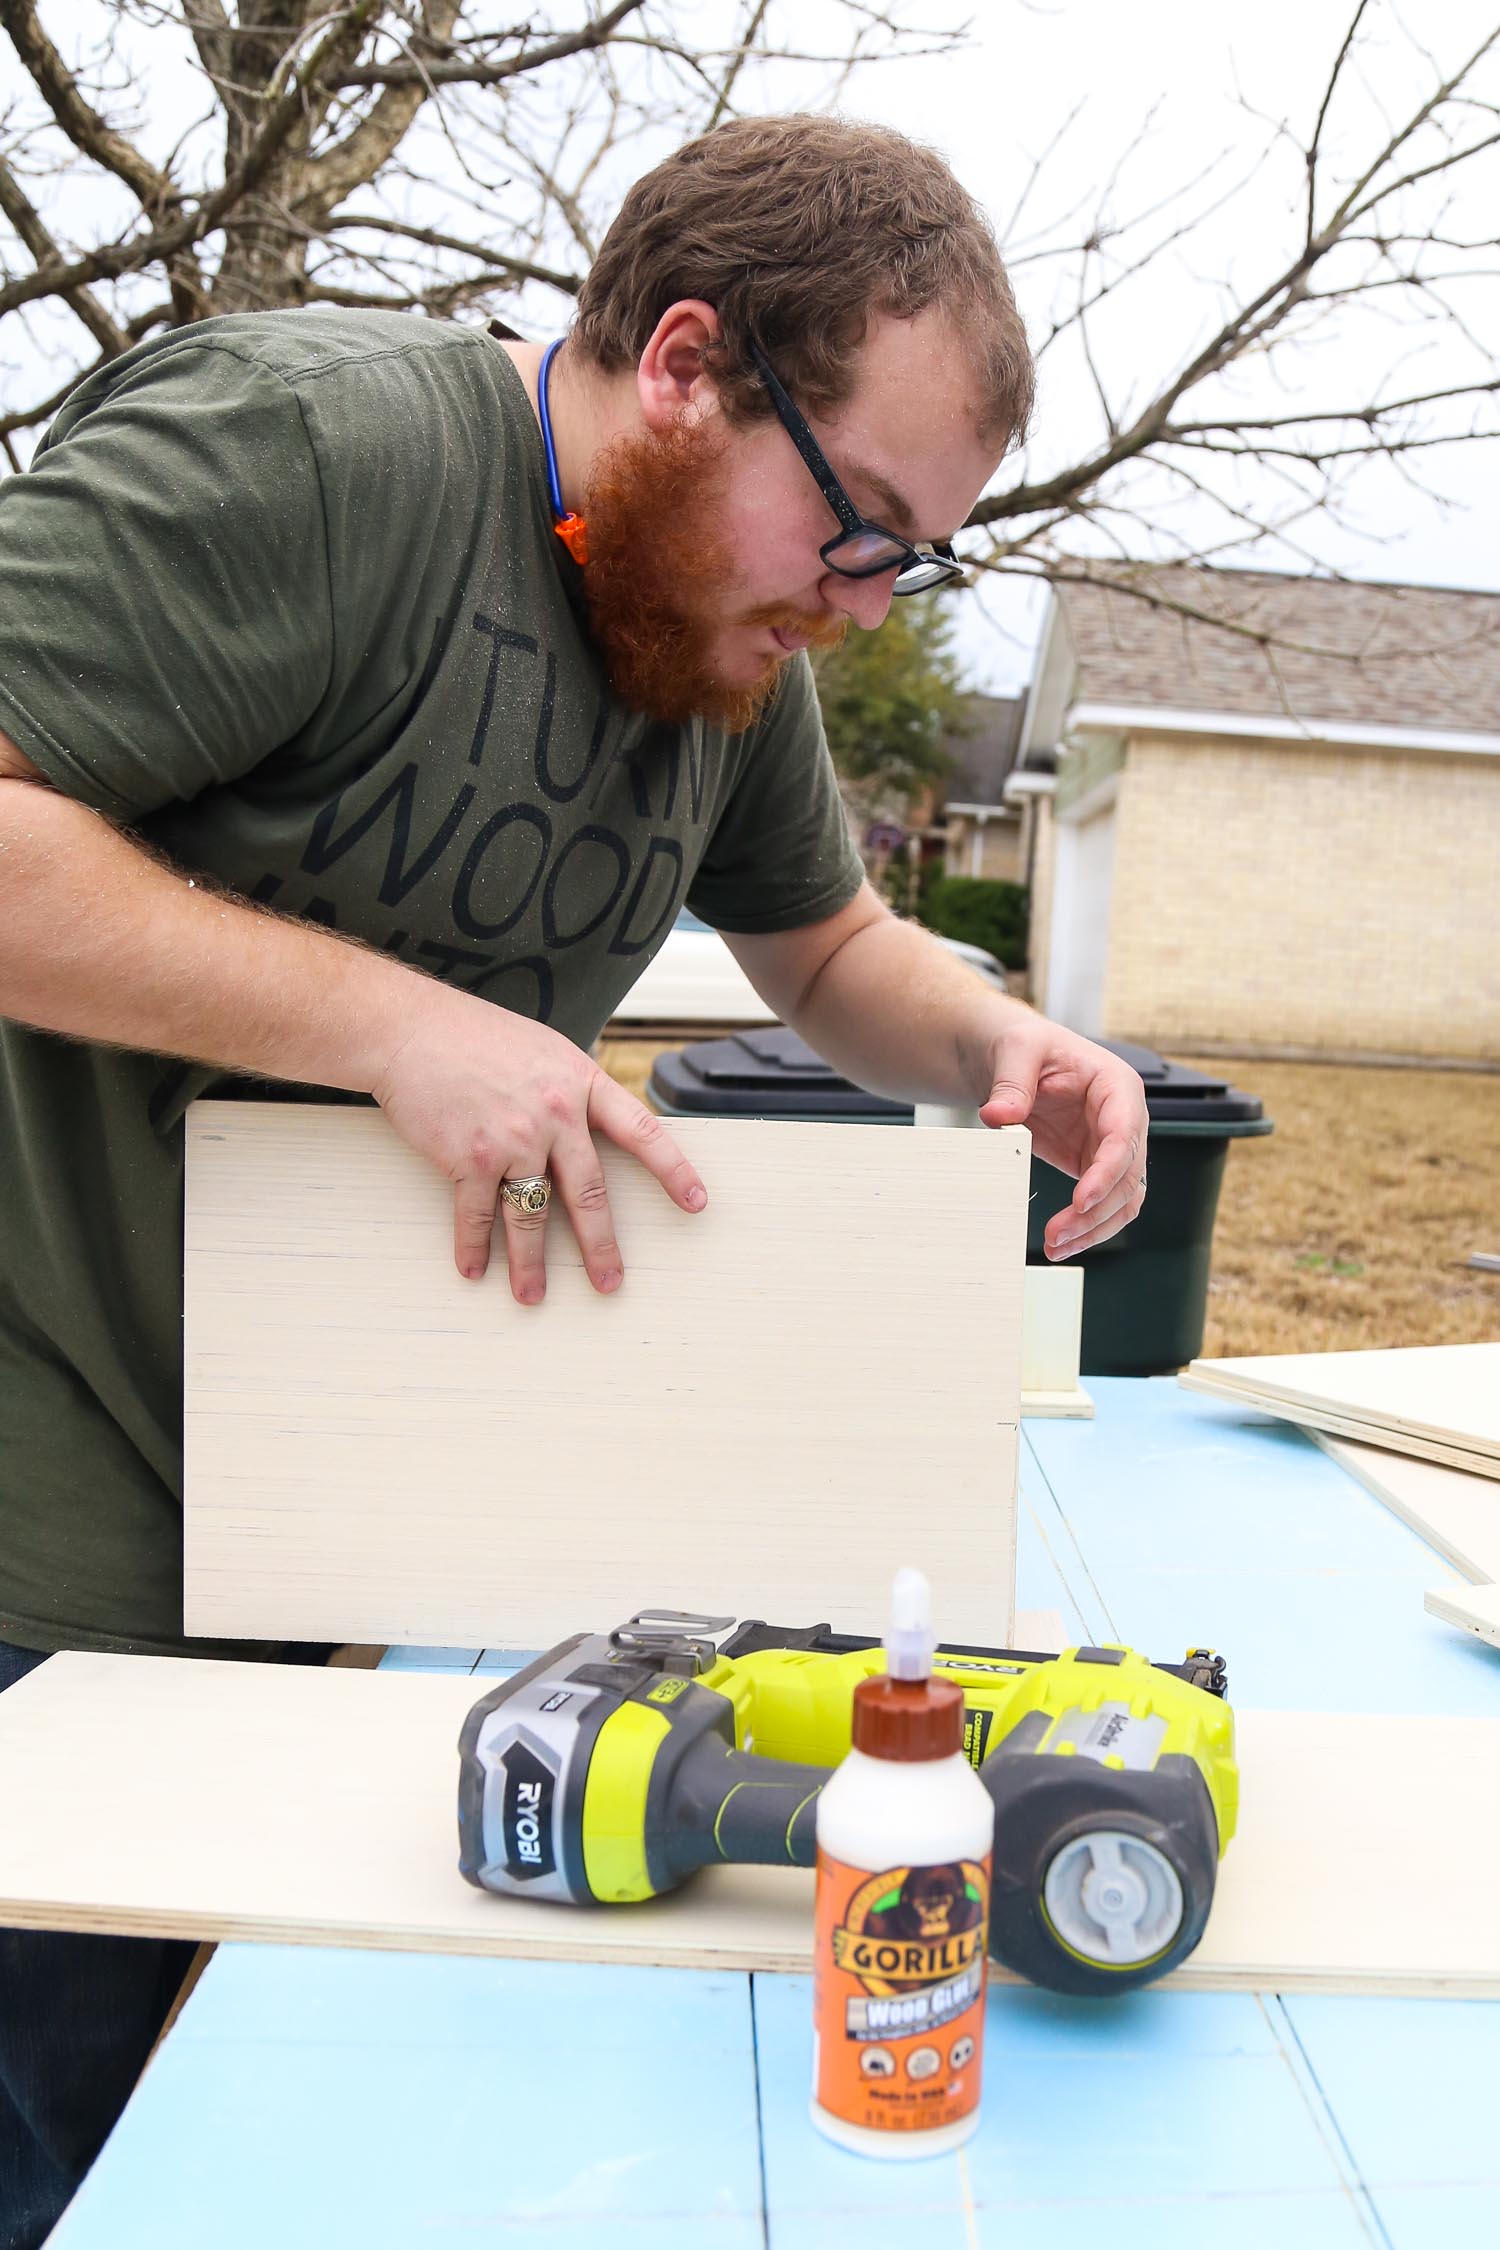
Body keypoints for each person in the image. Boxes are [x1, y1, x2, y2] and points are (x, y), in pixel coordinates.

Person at [0, 113, 1147, 2244]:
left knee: (278, 2133)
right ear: (691, 364)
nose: (862, 599)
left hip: (355, 1526)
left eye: (917, 557)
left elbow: (825, 953)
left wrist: (1000, 1039)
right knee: (63, 2139)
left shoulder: (713, 628)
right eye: (862, 524)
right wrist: (393, 1026)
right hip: (47, 1516)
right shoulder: (317, 455)